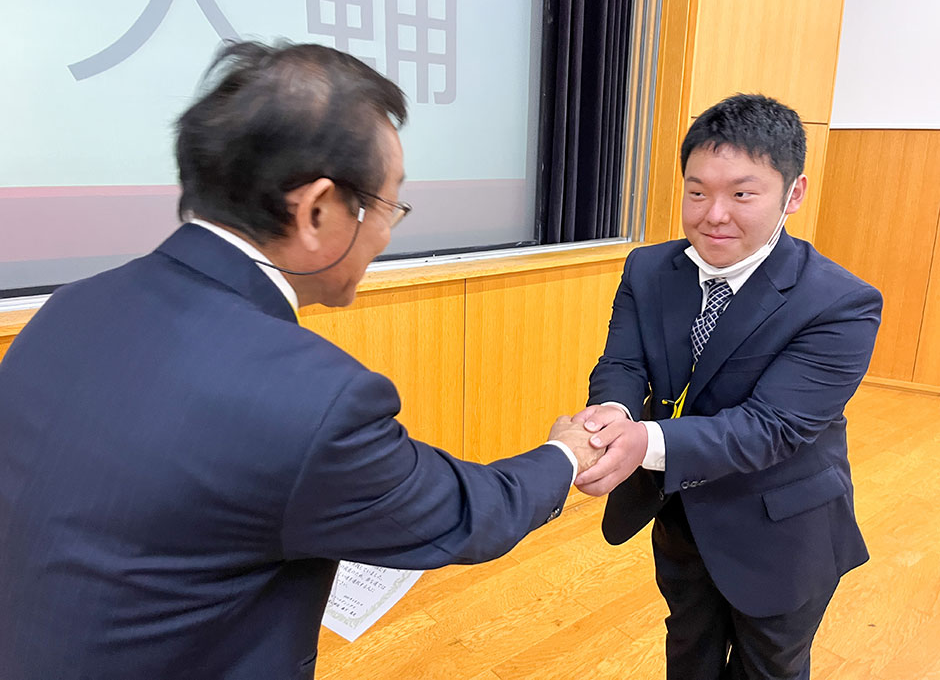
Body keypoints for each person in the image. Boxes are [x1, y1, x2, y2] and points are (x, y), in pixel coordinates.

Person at [0, 42, 600, 679]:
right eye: (388, 206)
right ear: (317, 210)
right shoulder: (313, 400)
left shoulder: (70, 308)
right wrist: (567, 454)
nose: (388, 234)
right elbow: (461, 515)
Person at [574, 94, 882, 679]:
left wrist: (644, 442)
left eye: (742, 194)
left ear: (793, 194)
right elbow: (622, 362)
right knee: (688, 648)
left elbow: (774, 427)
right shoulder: (648, 268)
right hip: (682, 514)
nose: (713, 214)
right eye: (696, 191)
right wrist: (610, 412)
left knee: (770, 666)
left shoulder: (840, 302)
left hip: (782, 529)